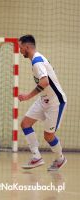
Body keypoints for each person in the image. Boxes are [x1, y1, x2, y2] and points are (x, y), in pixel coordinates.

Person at [18, 35, 67, 171]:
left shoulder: (37, 61)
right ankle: (36, 157)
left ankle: (60, 159)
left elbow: (44, 82)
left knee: (48, 136)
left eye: (21, 47)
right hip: (44, 100)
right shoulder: (36, 59)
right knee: (25, 124)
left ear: (27, 47)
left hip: (55, 102)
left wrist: (27, 96)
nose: (20, 50)